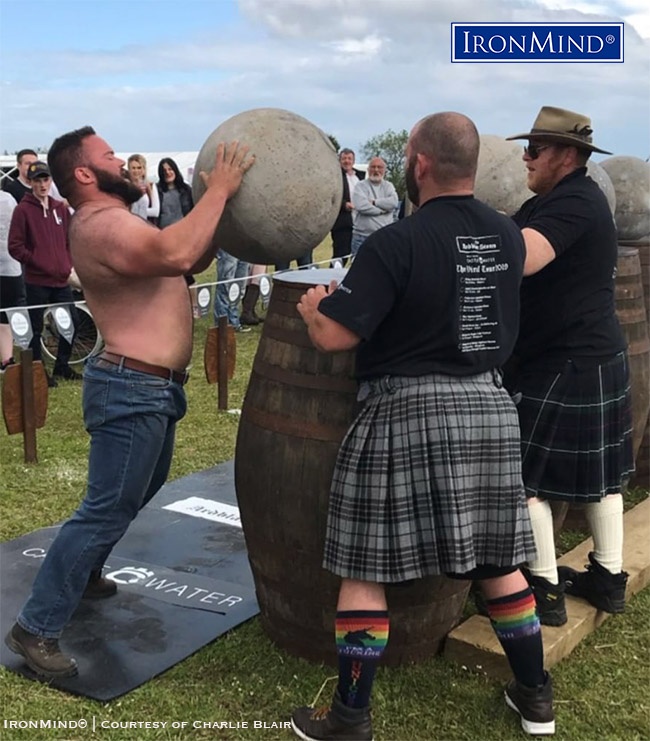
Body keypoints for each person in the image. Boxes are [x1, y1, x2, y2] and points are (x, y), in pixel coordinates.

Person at [291, 112, 554, 740]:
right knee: (500, 560)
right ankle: (536, 697)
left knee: (365, 568)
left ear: (420, 163)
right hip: (490, 407)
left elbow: (334, 335)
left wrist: (312, 308)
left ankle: (351, 717)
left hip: (404, 409)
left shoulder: (394, 242)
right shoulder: (508, 235)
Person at [4, 126, 254, 680]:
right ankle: (35, 628)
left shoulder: (116, 222)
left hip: (151, 387)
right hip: (131, 388)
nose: (122, 161)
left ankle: (86, 572)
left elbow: (185, 260)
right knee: (105, 508)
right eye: (109, 155)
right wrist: (219, 189)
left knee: (137, 491)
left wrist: (221, 211)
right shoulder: (99, 224)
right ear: (86, 175)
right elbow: (177, 249)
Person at [503, 106, 633, 624]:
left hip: (566, 361)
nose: (525, 156)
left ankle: (544, 590)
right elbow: (507, 228)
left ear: (566, 155)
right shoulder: (558, 200)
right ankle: (607, 577)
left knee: (524, 477)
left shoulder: (575, 202)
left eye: (535, 149)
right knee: (602, 481)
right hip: (588, 355)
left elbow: (523, 255)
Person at [7, 161, 81, 386]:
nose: (42, 185)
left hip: (60, 279)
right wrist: (37, 262)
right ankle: (38, 372)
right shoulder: (23, 210)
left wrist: (67, 261)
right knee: (35, 329)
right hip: (36, 281)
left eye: (45, 179)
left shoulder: (60, 208)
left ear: (51, 181)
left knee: (72, 322)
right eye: (37, 180)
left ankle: (62, 366)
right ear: (30, 182)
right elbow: (15, 246)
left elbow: (69, 239)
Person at [155, 157, 198, 316]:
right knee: (168, 274)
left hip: (182, 236)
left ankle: (193, 306)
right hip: (164, 236)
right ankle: (170, 307)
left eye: (170, 169)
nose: (168, 172)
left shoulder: (186, 190)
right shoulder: (157, 190)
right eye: (164, 170)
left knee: (187, 273)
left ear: (175, 170)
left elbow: (193, 212)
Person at [350, 157, 398, 256]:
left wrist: (375, 202)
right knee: (360, 270)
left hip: (384, 237)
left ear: (384, 170)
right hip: (361, 237)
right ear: (368, 169)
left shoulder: (388, 186)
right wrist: (382, 210)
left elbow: (393, 203)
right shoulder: (360, 186)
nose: (376, 170)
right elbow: (361, 206)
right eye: (373, 167)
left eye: (379, 167)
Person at [0, 190, 24, 371]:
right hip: (11, 266)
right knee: (5, 315)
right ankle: (7, 359)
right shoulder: (9, 198)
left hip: (9, 266)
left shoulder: (8, 198)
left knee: (5, 316)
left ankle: (7, 360)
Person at [330, 148, 365, 265]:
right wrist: (344, 204)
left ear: (353, 161)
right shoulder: (335, 177)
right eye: (344, 158)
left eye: (349, 158)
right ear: (339, 161)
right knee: (340, 257)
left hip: (360, 224)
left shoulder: (360, 176)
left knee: (358, 258)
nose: (347, 161)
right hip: (343, 223)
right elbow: (331, 197)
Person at [214, 249, 252, 333]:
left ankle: (234, 322)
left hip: (244, 246)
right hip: (228, 247)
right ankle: (222, 324)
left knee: (239, 288)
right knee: (225, 287)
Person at [127, 154, 160, 222]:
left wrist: (136, 212)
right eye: (133, 168)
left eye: (139, 167)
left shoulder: (150, 185)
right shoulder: (125, 186)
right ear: (129, 169)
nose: (136, 171)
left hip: (145, 226)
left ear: (144, 169)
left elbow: (156, 212)